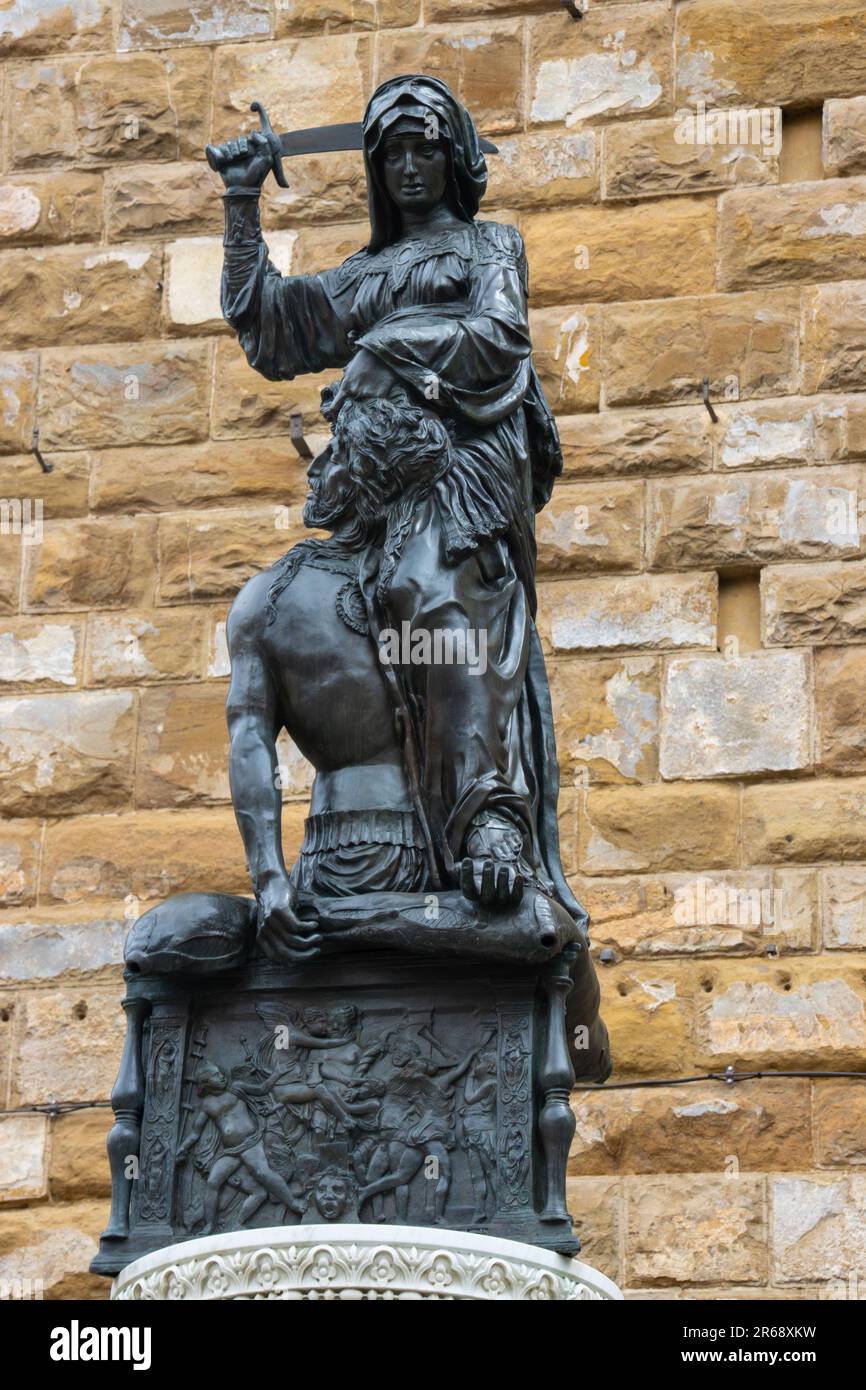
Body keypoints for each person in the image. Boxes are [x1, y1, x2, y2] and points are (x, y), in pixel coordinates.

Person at [214, 75, 587, 953]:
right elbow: (273, 330)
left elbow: (498, 340)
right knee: (291, 605)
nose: (410, 167)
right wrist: (240, 203)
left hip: (461, 476)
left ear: (456, 158)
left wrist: (385, 347)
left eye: (425, 149)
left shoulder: (491, 247)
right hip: (370, 479)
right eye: (392, 154)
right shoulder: (365, 274)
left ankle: (486, 816)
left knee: (434, 594)